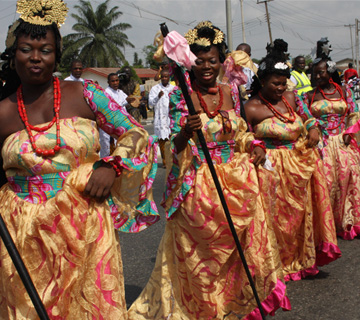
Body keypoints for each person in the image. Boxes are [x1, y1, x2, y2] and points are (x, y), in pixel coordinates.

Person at [0, 1, 159, 318]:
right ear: (12, 54)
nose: (35, 57)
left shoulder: (85, 94)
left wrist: (111, 165)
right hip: (22, 234)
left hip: (86, 227)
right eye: (25, 49)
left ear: (57, 55)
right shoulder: (2, 111)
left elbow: (136, 133)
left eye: (44, 50)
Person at [129, 21, 290, 319]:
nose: (206, 66)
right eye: (199, 60)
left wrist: (255, 145)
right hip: (201, 184)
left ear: (221, 61)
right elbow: (174, 149)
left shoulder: (232, 92)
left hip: (240, 180)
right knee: (205, 256)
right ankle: (204, 308)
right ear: (189, 61)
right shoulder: (181, 97)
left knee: (242, 249)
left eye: (212, 60)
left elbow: (241, 131)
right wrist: (184, 134)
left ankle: (234, 304)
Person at [244, 40, 341, 281]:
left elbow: (308, 118)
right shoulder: (251, 107)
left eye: (283, 82)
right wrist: (256, 145)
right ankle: (276, 264)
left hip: (299, 165)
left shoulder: (291, 97)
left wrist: (312, 128)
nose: (280, 87)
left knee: (300, 217)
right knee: (276, 219)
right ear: (262, 81)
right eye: (275, 83)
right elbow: (243, 136)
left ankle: (303, 260)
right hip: (269, 169)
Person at [297, 43, 360, 240]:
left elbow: (353, 114)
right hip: (322, 144)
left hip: (343, 141)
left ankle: (348, 221)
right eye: (314, 73)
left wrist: (350, 132)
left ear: (330, 72)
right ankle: (327, 224)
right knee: (327, 181)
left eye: (321, 73)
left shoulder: (344, 91)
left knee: (347, 179)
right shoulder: (308, 95)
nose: (316, 77)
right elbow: (305, 120)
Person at [148, 69, 174, 168]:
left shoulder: (173, 88)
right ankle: (165, 162)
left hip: (170, 119)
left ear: (169, 77)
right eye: (162, 77)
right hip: (160, 120)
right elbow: (150, 103)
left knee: (172, 141)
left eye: (166, 76)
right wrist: (157, 97)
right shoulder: (155, 89)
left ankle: (172, 161)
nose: (164, 78)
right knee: (162, 142)